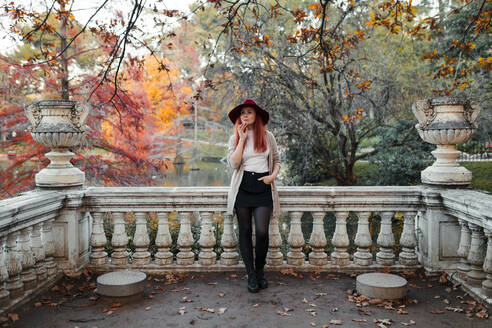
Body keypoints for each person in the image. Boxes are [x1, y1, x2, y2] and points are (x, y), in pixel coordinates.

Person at [226, 99, 281, 293]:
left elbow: (277, 161)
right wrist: (241, 140)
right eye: (243, 113)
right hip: (243, 187)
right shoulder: (235, 138)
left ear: (256, 115)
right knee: (245, 231)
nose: (245, 116)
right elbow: (233, 164)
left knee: (262, 232)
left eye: (249, 112)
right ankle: (251, 276)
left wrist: (272, 176)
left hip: (263, 186)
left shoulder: (268, 136)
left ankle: (259, 272)